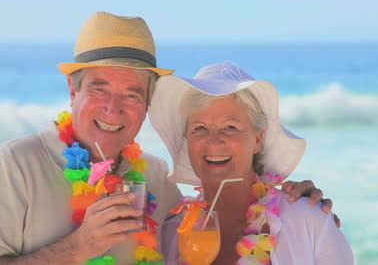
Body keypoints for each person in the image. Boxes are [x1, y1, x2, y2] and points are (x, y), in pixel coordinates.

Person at [0, 12, 339, 265]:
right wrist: (76, 248)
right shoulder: (16, 163)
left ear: (146, 104)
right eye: (99, 88)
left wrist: (298, 200)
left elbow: (218, 210)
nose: (114, 107)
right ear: (72, 91)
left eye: (132, 94)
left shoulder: (157, 180)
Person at [148, 63, 354, 265]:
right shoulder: (170, 234)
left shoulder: (309, 221)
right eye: (199, 128)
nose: (214, 140)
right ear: (188, 141)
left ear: (257, 139)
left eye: (230, 127)